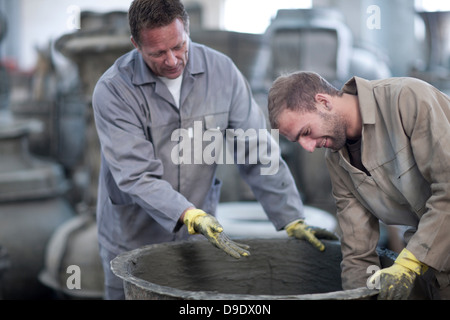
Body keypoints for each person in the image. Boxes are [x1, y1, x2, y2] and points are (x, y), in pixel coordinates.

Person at [92, 0, 337, 300]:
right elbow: (135, 174)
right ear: (135, 44)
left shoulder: (222, 73)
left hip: (197, 241)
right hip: (132, 236)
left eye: (179, 46)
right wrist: (188, 214)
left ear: (188, 30)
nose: (171, 60)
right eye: (157, 53)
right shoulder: (114, 90)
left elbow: (256, 150)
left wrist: (291, 216)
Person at [267, 70, 450, 300]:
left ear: (323, 102)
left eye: (306, 132)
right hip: (433, 264)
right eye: (298, 140)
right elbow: (358, 250)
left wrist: (411, 262)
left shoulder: (407, 99)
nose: (308, 147)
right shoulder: (337, 161)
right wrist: (358, 296)